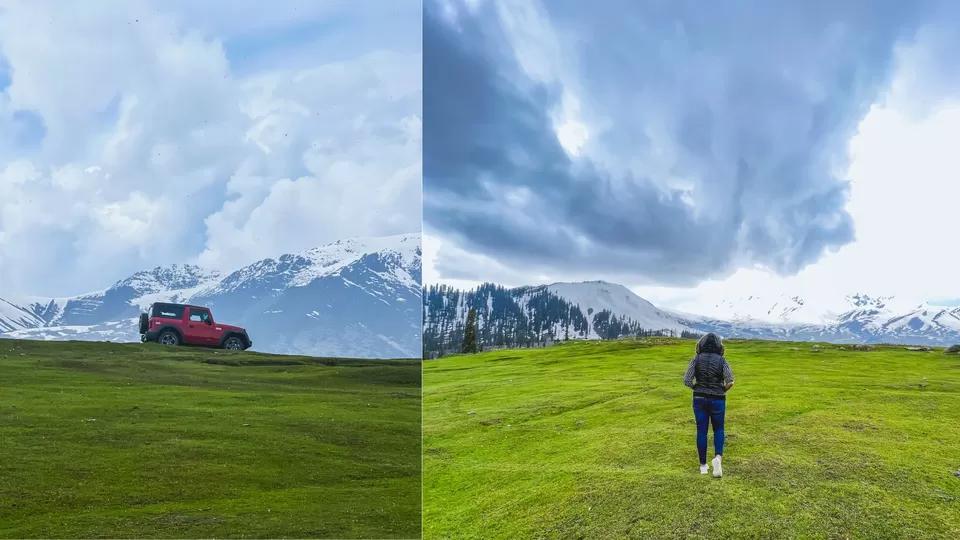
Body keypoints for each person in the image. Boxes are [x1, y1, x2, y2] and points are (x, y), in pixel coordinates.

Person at [683, 332, 734, 477]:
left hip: (699, 398)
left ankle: (703, 466)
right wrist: (722, 390)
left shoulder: (696, 359)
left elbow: (687, 380)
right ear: (719, 346)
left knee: (701, 431)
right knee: (719, 429)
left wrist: (696, 388)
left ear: (701, 344)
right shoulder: (722, 361)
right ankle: (718, 458)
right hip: (718, 399)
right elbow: (730, 381)